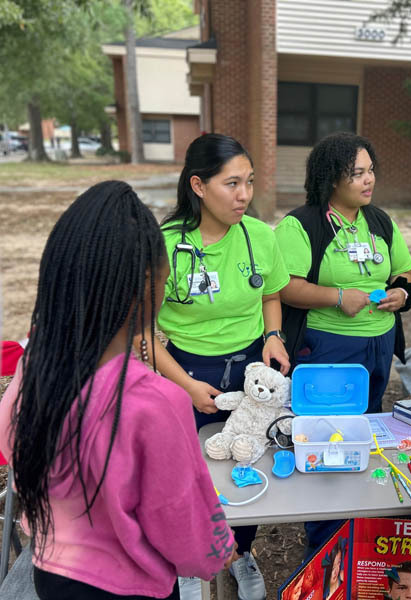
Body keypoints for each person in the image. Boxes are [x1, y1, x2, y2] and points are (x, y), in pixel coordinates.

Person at [0, 181, 237, 600]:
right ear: (149, 285)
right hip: (129, 588)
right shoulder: (157, 403)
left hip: (50, 572)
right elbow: (180, 521)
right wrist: (220, 555)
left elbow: (5, 435)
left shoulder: (36, 366)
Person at [135, 133, 291, 600]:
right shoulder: (165, 244)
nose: (244, 195)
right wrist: (183, 385)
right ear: (198, 185)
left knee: (247, 459)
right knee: (187, 472)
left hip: (249, 368)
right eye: (232, 183)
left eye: (249, 182)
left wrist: (274, 336)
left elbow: (271, 294)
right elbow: (142, 330)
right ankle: (188, 560)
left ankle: (240, 553)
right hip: (184, 368)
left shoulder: (260, 236)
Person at [274, 132, 411, 553]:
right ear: (331, 178)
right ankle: (323, 543)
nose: (369, 180)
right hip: (327, 350)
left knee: (363, 433)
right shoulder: (302, 225)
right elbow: (285, 287)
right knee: (326, 441)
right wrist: (336, 297)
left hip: (378, 346)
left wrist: (402, 294)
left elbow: (404, 275)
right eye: (357, 173)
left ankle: (356, 529)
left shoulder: (380, 222)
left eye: (371, 170)